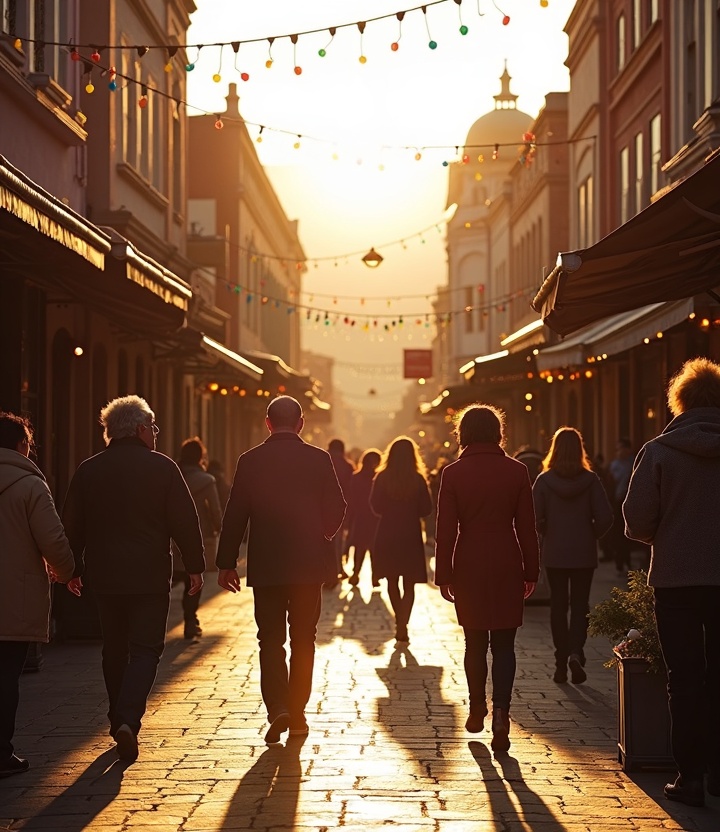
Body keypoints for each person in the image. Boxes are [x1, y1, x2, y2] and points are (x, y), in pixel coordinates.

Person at [62, 396, 205, 762]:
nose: (155, 434)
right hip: (149, 575)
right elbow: (184, 520)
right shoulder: (163, 468)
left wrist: (71, 569)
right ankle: (127, 718)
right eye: (153, 428)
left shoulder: (89, 469)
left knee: (114, 648)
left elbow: (72, 524)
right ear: (141, 429)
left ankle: (118, 718)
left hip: (105, 576)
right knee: (146, 649)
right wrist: (195, 565)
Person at [216, 396, 346, 744]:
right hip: (307, 564)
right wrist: (321, 534)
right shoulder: (318, 459)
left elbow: (235, 513)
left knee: (270, 639)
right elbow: (338, 506)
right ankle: (298, 712)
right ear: (301, 423)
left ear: (268, 423)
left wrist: (226, 562)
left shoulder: (250, 460)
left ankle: (277, 707)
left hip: (267, 563)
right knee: (304, 638)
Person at [623, 357, 720, 808]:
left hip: (676, 580)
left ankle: (691, 777)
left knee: (683, 678)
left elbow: (637, 519)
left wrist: (666, 533)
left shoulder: (659, 451)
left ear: (678, 401)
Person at [434, 404, 539, 753]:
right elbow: (527, 527)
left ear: (463, 433)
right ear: (498, 432)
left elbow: (445, 530)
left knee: (475, 642)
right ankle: (502, 713)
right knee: (505, 644)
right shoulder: (517, 471)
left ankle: (477, 704)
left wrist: (444, 574)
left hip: (469, 560)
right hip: (507, 557)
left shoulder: (453, 473)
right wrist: (531, 570)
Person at [0, 412, 75, 779]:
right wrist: (67, 572)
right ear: (20, 445)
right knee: (5, 676)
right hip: (12, 598)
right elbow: (53, 539)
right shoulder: (30, 485)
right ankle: (1, 753)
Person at [532, 427, 613, 685]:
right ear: (580, 450)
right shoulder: (591, 480)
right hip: (583, 553)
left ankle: (560, 662)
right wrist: (591, 534)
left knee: (558, 606)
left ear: (554, 449)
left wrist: (546, 529)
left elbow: (533, 517)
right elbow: (606, 517)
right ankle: (576, 652)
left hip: (555, 553)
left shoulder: (544, 481)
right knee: (580, 605)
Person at [370, 436, 432, 644]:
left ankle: (399, 622)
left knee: (392, 580)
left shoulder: (382, 478)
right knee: (409, 583)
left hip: (388, 532)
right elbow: (426, 509)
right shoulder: (418, 479)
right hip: (410, 533)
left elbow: (375, 506)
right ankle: (403, 622)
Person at [175, 437, 223, 639]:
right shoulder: (206, 480)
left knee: (168, 578)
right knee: (193, 581)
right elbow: (215, 510)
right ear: (200, 457)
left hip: (171, 536)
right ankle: (190, 620)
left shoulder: (172, 476)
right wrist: (220, 530)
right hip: (198, 535)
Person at [345, 448, 382, 587]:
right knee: (374, 549)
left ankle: (356, 573)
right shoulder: (378, 478)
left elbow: (351, 499)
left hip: (360, 517)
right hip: (375, 517)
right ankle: (375, 576)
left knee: (359, 548)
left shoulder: (355, 477)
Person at [327, 438, 355, 585]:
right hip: (341, 508)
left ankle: (328, 570)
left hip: (321, 508)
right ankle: (338, 568)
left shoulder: (322, 461)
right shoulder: (348, 466)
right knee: (338, 541)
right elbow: (351, 490)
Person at [608, 438, 635, 576]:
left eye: (622, 448)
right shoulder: (614, 465)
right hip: (617, 503)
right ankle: (620, 563)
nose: (620, 452)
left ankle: (628, 562)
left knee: (629, 535)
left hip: (631, 503)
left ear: (628, 449)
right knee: (618, 534)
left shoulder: (634, 463)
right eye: (618, 449)